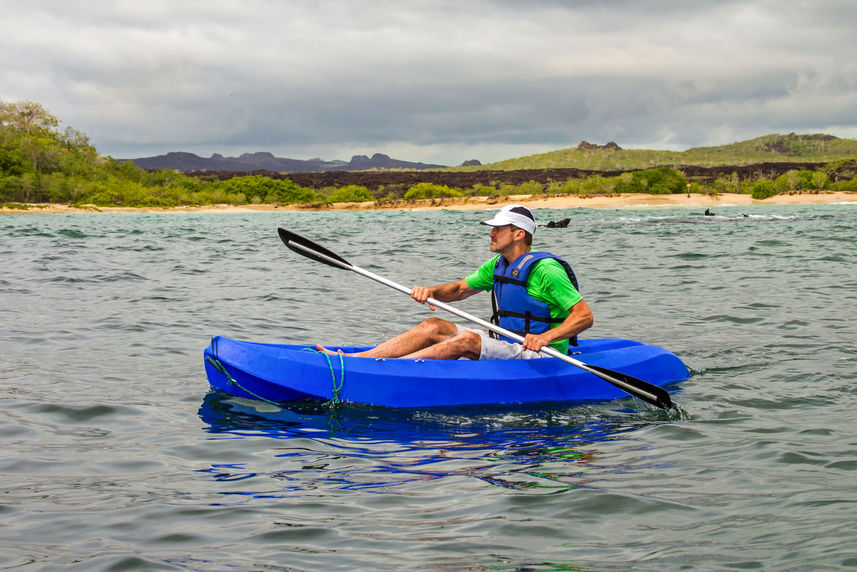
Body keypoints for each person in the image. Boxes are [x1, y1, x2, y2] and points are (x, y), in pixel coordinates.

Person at [317, 204, 593, 360]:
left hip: (543, 356)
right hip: (508, 343)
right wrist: (431, 291)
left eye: (498, 229)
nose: (491, 234)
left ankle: (388, 370)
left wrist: (544, 338)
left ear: (518, 234)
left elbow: (584, 317)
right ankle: (361, 360)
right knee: (433, 325)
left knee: (466, 339)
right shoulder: (498, 265)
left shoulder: (546, 270)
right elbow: (460, 290)